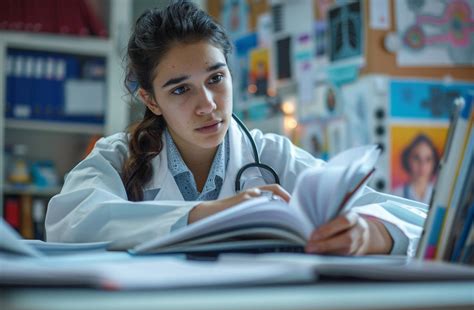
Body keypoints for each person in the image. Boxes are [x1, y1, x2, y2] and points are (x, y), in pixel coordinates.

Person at [46, 0, 421, 256]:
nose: (207, 104)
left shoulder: (274, 157)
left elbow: (421, 218)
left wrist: (371, 234)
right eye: (180, 89)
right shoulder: (117, 156)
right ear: (151, 100)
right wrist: (206, 215)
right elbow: (69, 224)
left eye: (216, 78)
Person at [393, 134, 440, 204]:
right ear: (408, 160)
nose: (422, 165)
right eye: (416, 158)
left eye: (428, 159)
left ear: (434, 163)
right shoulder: (395, 195)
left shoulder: (440, 196)